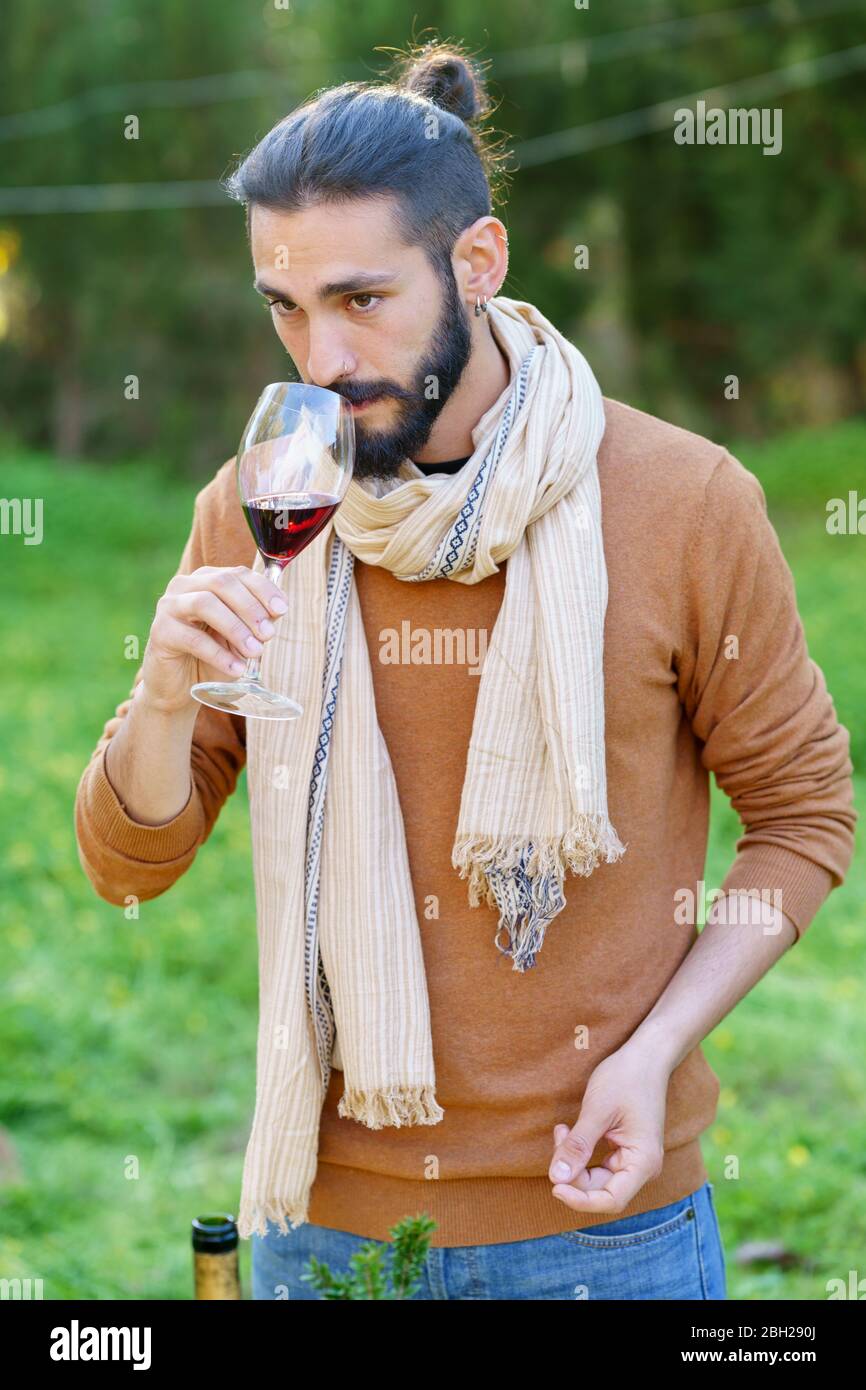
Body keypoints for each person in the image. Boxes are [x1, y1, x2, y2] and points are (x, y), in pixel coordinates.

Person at [74, 40, 856, 1302]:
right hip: (319, 1226)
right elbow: (129, 863)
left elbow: (805, 816)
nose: (318, 359)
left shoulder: (683, 501)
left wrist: (657, 1051)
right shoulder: (260, 501)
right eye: (284, 307)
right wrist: (165, 700)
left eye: (359, 299)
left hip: (606, 1228)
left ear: (475, 263)